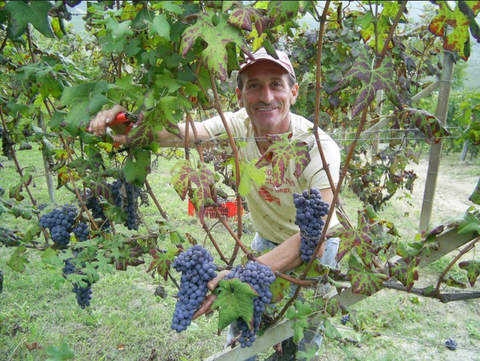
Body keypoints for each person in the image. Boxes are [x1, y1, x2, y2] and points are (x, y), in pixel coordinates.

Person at [89, 47, 341, 358]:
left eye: (275, 84)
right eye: (254, 85)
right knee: (239, 330)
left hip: (318, 248)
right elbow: (182, 134)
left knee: (302, 340)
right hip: (265, 239)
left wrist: (245, 273)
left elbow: (319, 229)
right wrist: (125, 124)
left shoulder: (318, 148)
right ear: (239, 94)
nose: (266, 96)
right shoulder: (238, 126)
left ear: (294, 91)